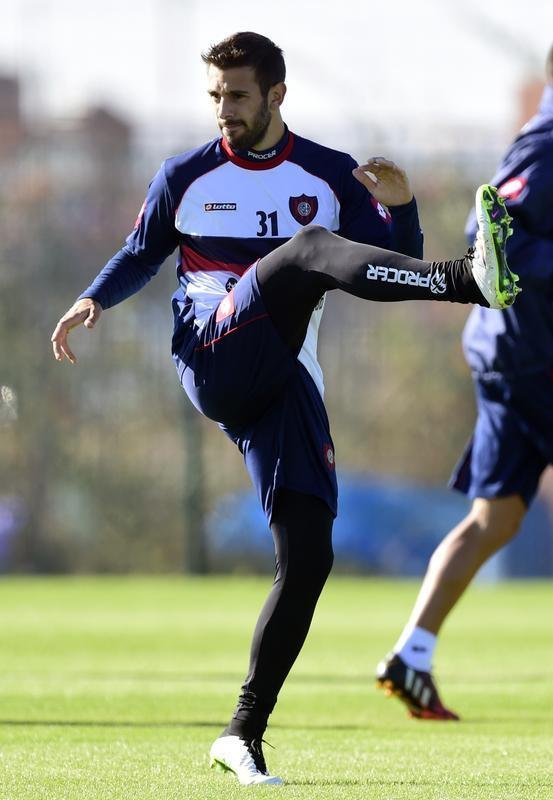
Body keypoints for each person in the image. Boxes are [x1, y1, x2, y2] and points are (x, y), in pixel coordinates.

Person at [51, 32, 519, 785]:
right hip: (212, 355)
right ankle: (471, 282)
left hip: (283, 378)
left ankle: (241, 731)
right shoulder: (187, 175)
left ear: (276, 95)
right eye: (215, 97)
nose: (223, 111)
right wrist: (90, 300)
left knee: (308, 555)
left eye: (237, 96)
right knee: (305, 251)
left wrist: (399, 214)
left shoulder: (330, 173)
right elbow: (141, 251)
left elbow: (388, 271)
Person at [376, 43, 553, 723]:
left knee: (495, 516)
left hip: (519, 354)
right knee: (492, 518)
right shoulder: (546, 143)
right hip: (524, 356)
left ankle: (409, 656)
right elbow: (492, 233)